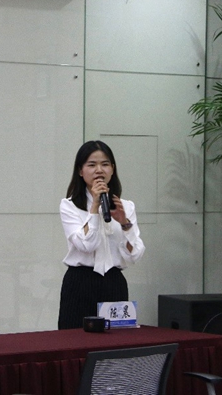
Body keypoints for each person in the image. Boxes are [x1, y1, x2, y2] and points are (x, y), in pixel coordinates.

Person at [58, 140, 145, 329]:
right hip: (80, 282)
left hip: (114, 282)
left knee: (115, 342)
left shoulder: (126, 206)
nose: (99, 170)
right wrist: (95, 208)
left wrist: (125, 223)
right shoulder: (69, 206)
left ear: (112, 169)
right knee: (74, 340)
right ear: (80, 171)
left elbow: (135, 255)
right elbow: (86, 245)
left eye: (105, 164)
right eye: (91, 165)